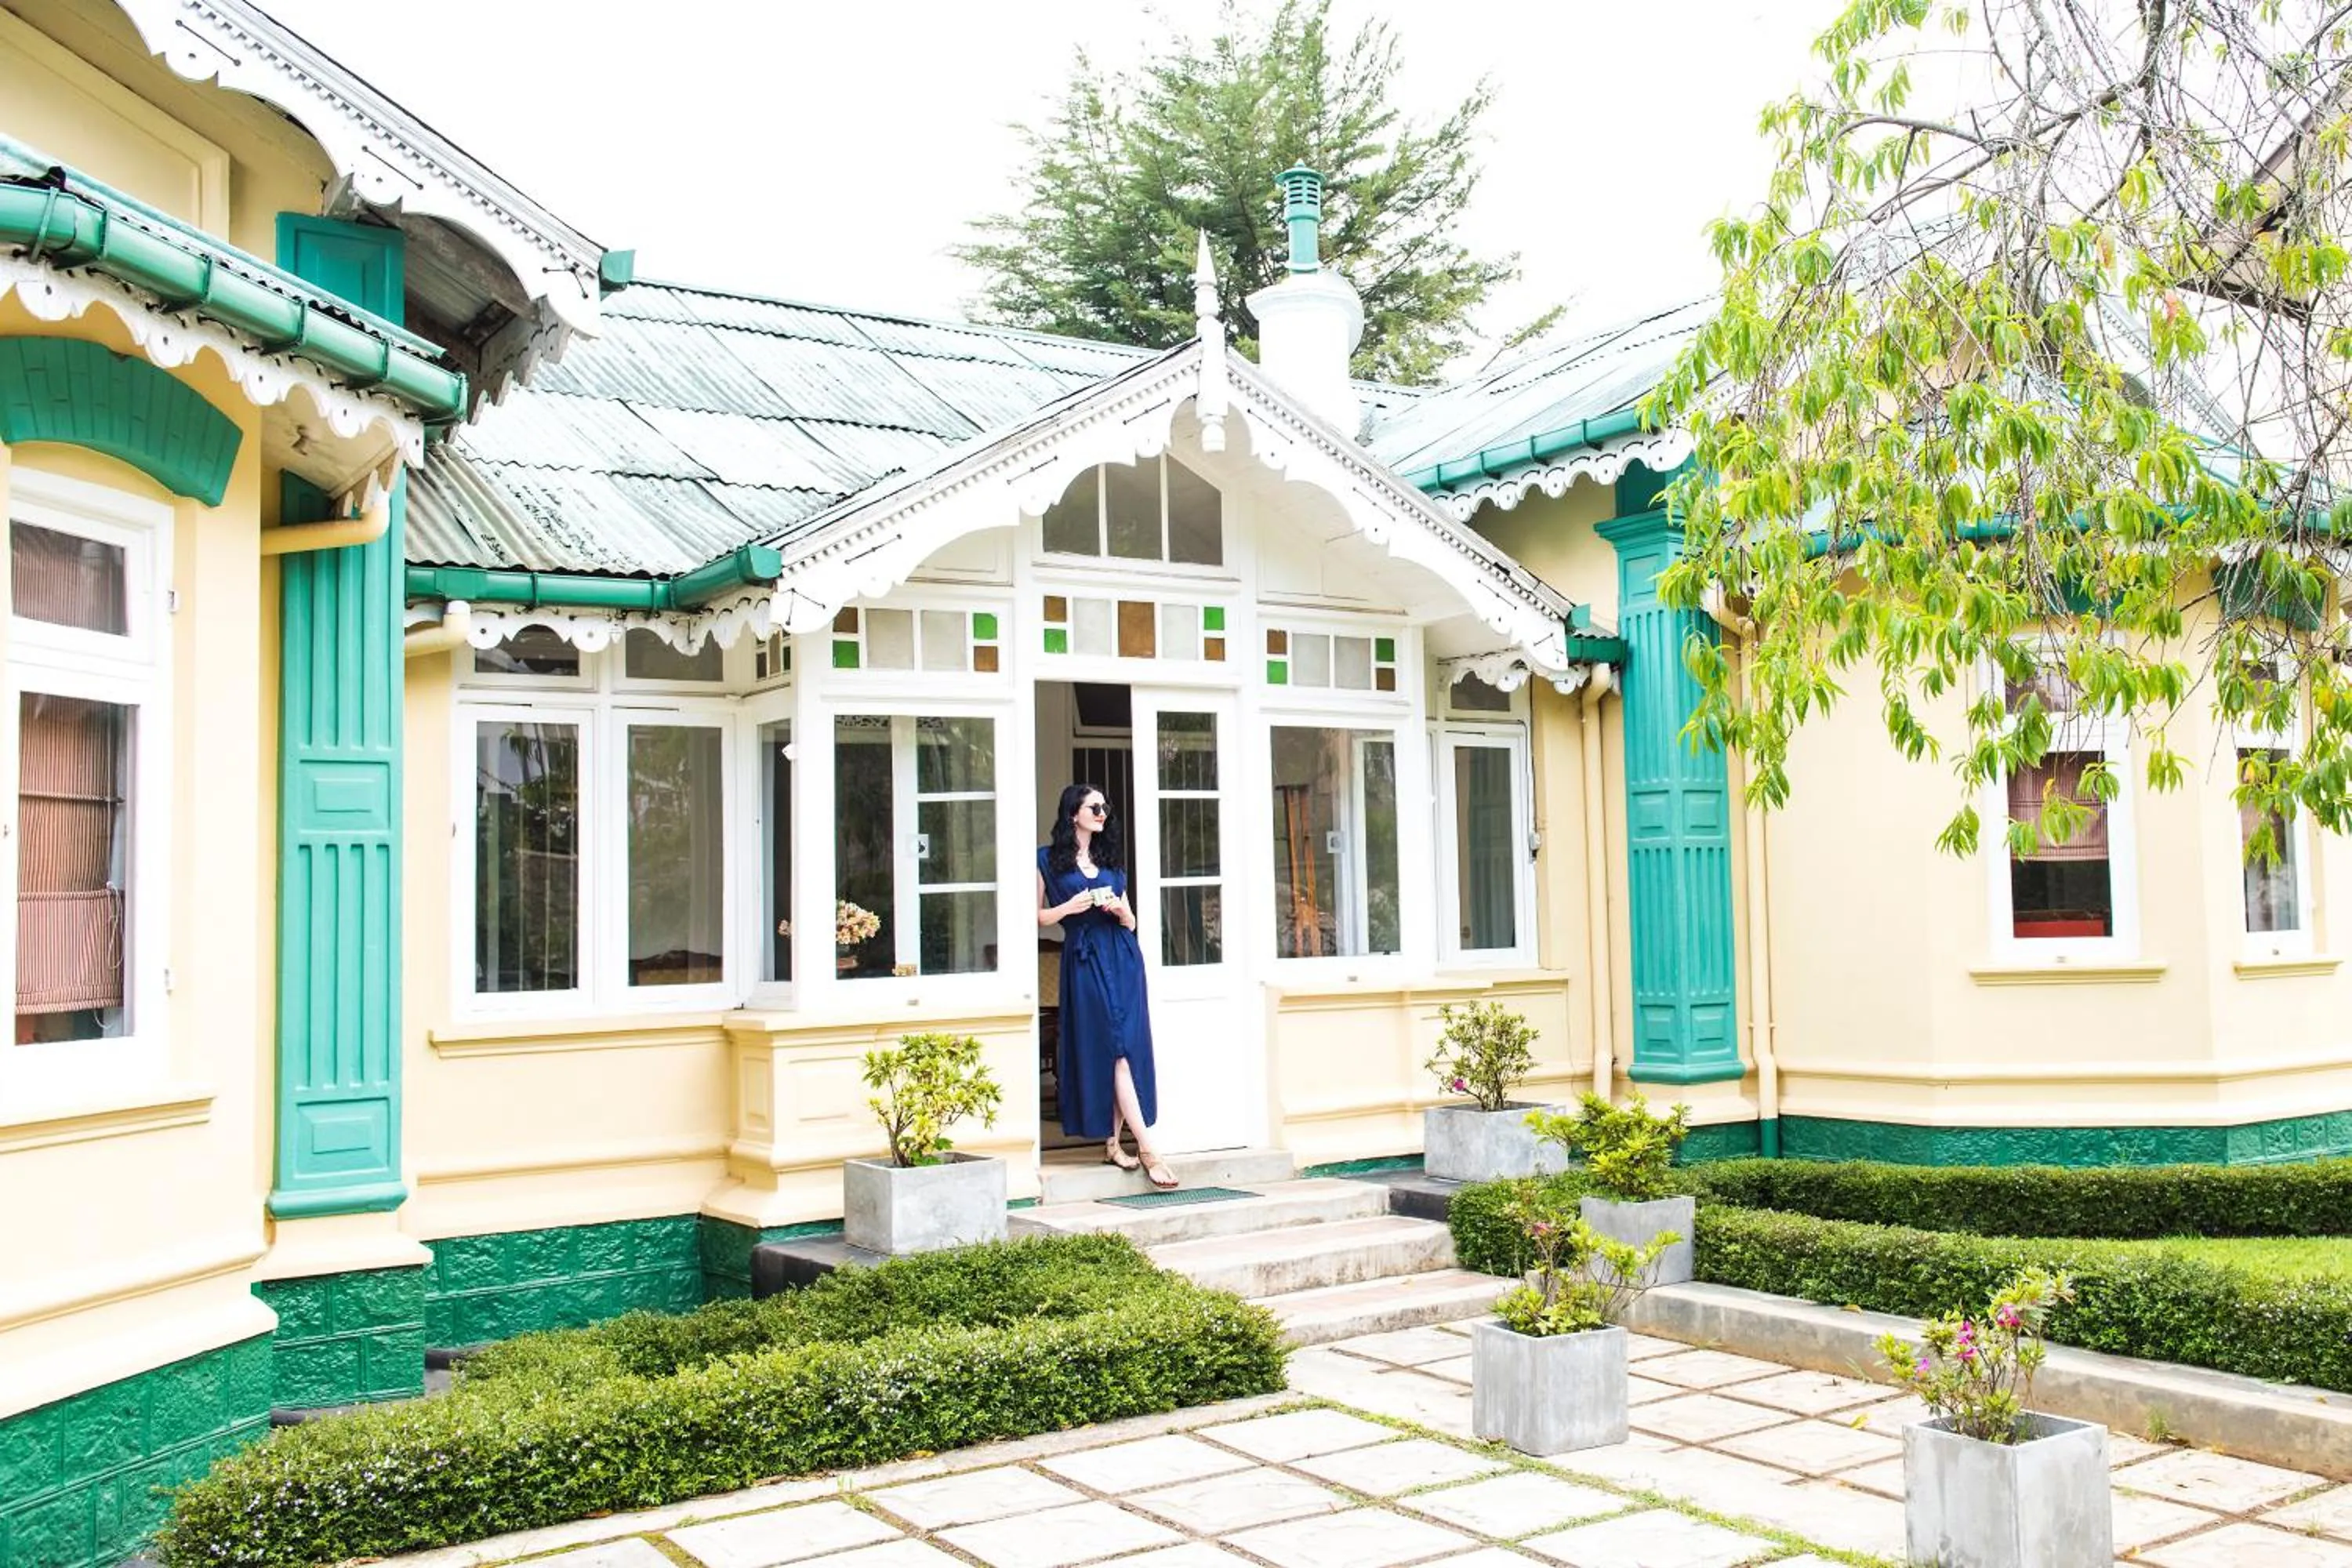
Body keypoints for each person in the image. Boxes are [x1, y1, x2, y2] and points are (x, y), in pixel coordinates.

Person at [1036, 783, 1174, 1189]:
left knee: (1127, 1046)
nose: (1102, 813)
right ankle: (1148, 1149)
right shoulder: (1047, 861)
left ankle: (1114, 1144)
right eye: (1094, 806)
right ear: (1072, 814)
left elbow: (1132, 922)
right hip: (1085, 957)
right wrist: (1069, 908)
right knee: (1113, 1048)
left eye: (1105, 807)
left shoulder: (1111, 864)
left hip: (1123, 955)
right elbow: (1035, 917)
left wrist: (1118, 910)